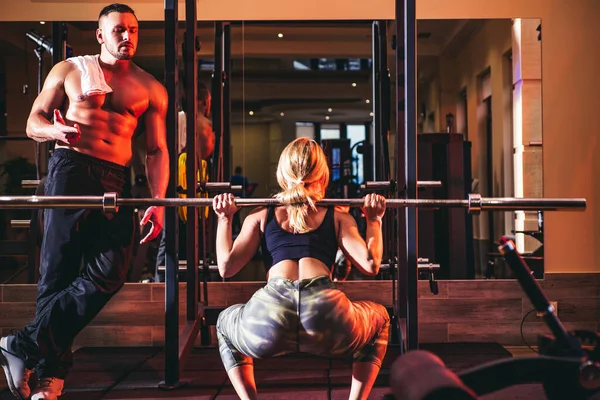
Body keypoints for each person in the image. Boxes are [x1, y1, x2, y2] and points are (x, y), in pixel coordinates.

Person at [0, 4, 169, 400]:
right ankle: (50, 377)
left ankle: (20, 345)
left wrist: (158, 202)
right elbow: (33, 120)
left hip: (116, 179)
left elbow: (157, 150)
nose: (126, 37)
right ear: (100, 35)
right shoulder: (70, 69)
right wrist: (53, 129)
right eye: (118, 30)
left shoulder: (150, 87)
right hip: (70, 169)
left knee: (111, 272)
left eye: (132, 30)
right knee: (56, 275)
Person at [212, 137, 390, 400]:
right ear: (322, 175)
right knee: (381, 319)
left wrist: (225, 218)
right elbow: (371, 264)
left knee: (224, 323)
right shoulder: (339, 217)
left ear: (282, 173)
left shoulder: (260, 215)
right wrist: (374, 220)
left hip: (268, 316)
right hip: (326, 314)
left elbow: (225, 267)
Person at [154, 81, 215, 282]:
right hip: (179, 186)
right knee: (174, 236)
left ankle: (182, 281)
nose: (208, 105)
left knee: (187, 237)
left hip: (194, 186)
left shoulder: (200, 123)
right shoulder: (189, 122)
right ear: (200, 100)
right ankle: (161, 283)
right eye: (207, 101)